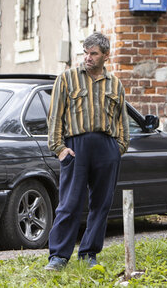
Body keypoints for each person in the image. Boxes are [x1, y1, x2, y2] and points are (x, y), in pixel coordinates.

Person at [44, 31, 130, 271]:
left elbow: (123, 121)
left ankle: (89, 253)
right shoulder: (67, 79)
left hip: (106, 148)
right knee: (69, 203)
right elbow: (54, 117)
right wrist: (59, 149)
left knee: (101, 204)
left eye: (94, 53)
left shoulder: (115, 84)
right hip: (76, 147)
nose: (88, 57)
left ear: (106, 56)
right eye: (86, 52)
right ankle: (59, 256)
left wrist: (118, 148)